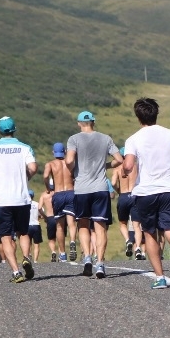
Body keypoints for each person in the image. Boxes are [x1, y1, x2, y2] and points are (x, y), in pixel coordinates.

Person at [122, 98, 170, 289]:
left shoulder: (133, 139)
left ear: (138, 117)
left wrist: (125, 171)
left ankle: (160, 278)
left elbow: (128, 165)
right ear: (156, 114)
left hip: (146, 193)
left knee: (150, 234)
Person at [65, 111, 124, 279]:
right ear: (93, 122)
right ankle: (100, 263)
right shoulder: (106, 138)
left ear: (79, 123)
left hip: (82, 188)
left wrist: (73, 170)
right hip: (100, 188)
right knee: (100, 227)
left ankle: (87, 258)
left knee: (83, 225)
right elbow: (119, 159)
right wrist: (105, 165)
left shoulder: (74, 139)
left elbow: (69, 161)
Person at [0, 116, 37, 283]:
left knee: (5, 236)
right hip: (21, 198)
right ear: (14, 129)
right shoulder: (25, 148)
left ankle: (16, 272)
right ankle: (26, 257)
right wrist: (26, 177)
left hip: (1, 200)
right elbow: (33, 167)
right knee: (23, 232)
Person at [43, 142, 78, 263]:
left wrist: (48, 188)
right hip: (71, 192)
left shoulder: (50, 164)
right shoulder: (70, 163)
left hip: (58, 194)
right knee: (72, 222)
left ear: (53, 152)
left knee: (59, 226)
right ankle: (72, 241)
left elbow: (45, 176)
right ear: (65, 152)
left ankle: (62, 254)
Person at [111, 146, 145, 260]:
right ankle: (138, 248)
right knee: (137, 225)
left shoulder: (117, 168)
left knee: (122, 223)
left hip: (123, 196)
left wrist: (118, 191)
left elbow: (113, 183)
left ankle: (128, 240)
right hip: (135, 195)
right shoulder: (136, 167)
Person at [38, 183, 59, 262]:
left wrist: (45, 217)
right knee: (60, 237)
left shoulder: (44, 195)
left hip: (50, 218)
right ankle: (61, 254)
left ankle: (53, 252)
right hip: (59, 217)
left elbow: (39, 208)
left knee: (51, 239)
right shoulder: (57, 193)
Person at [27, 190, 43, 263]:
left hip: (27, 226)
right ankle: (35, 260)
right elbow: (41, 215)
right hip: (36, 225)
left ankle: (29, 255)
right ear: (33, 196)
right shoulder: (37, 204)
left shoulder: (25, 204)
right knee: (36, 244)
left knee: (28, 243)